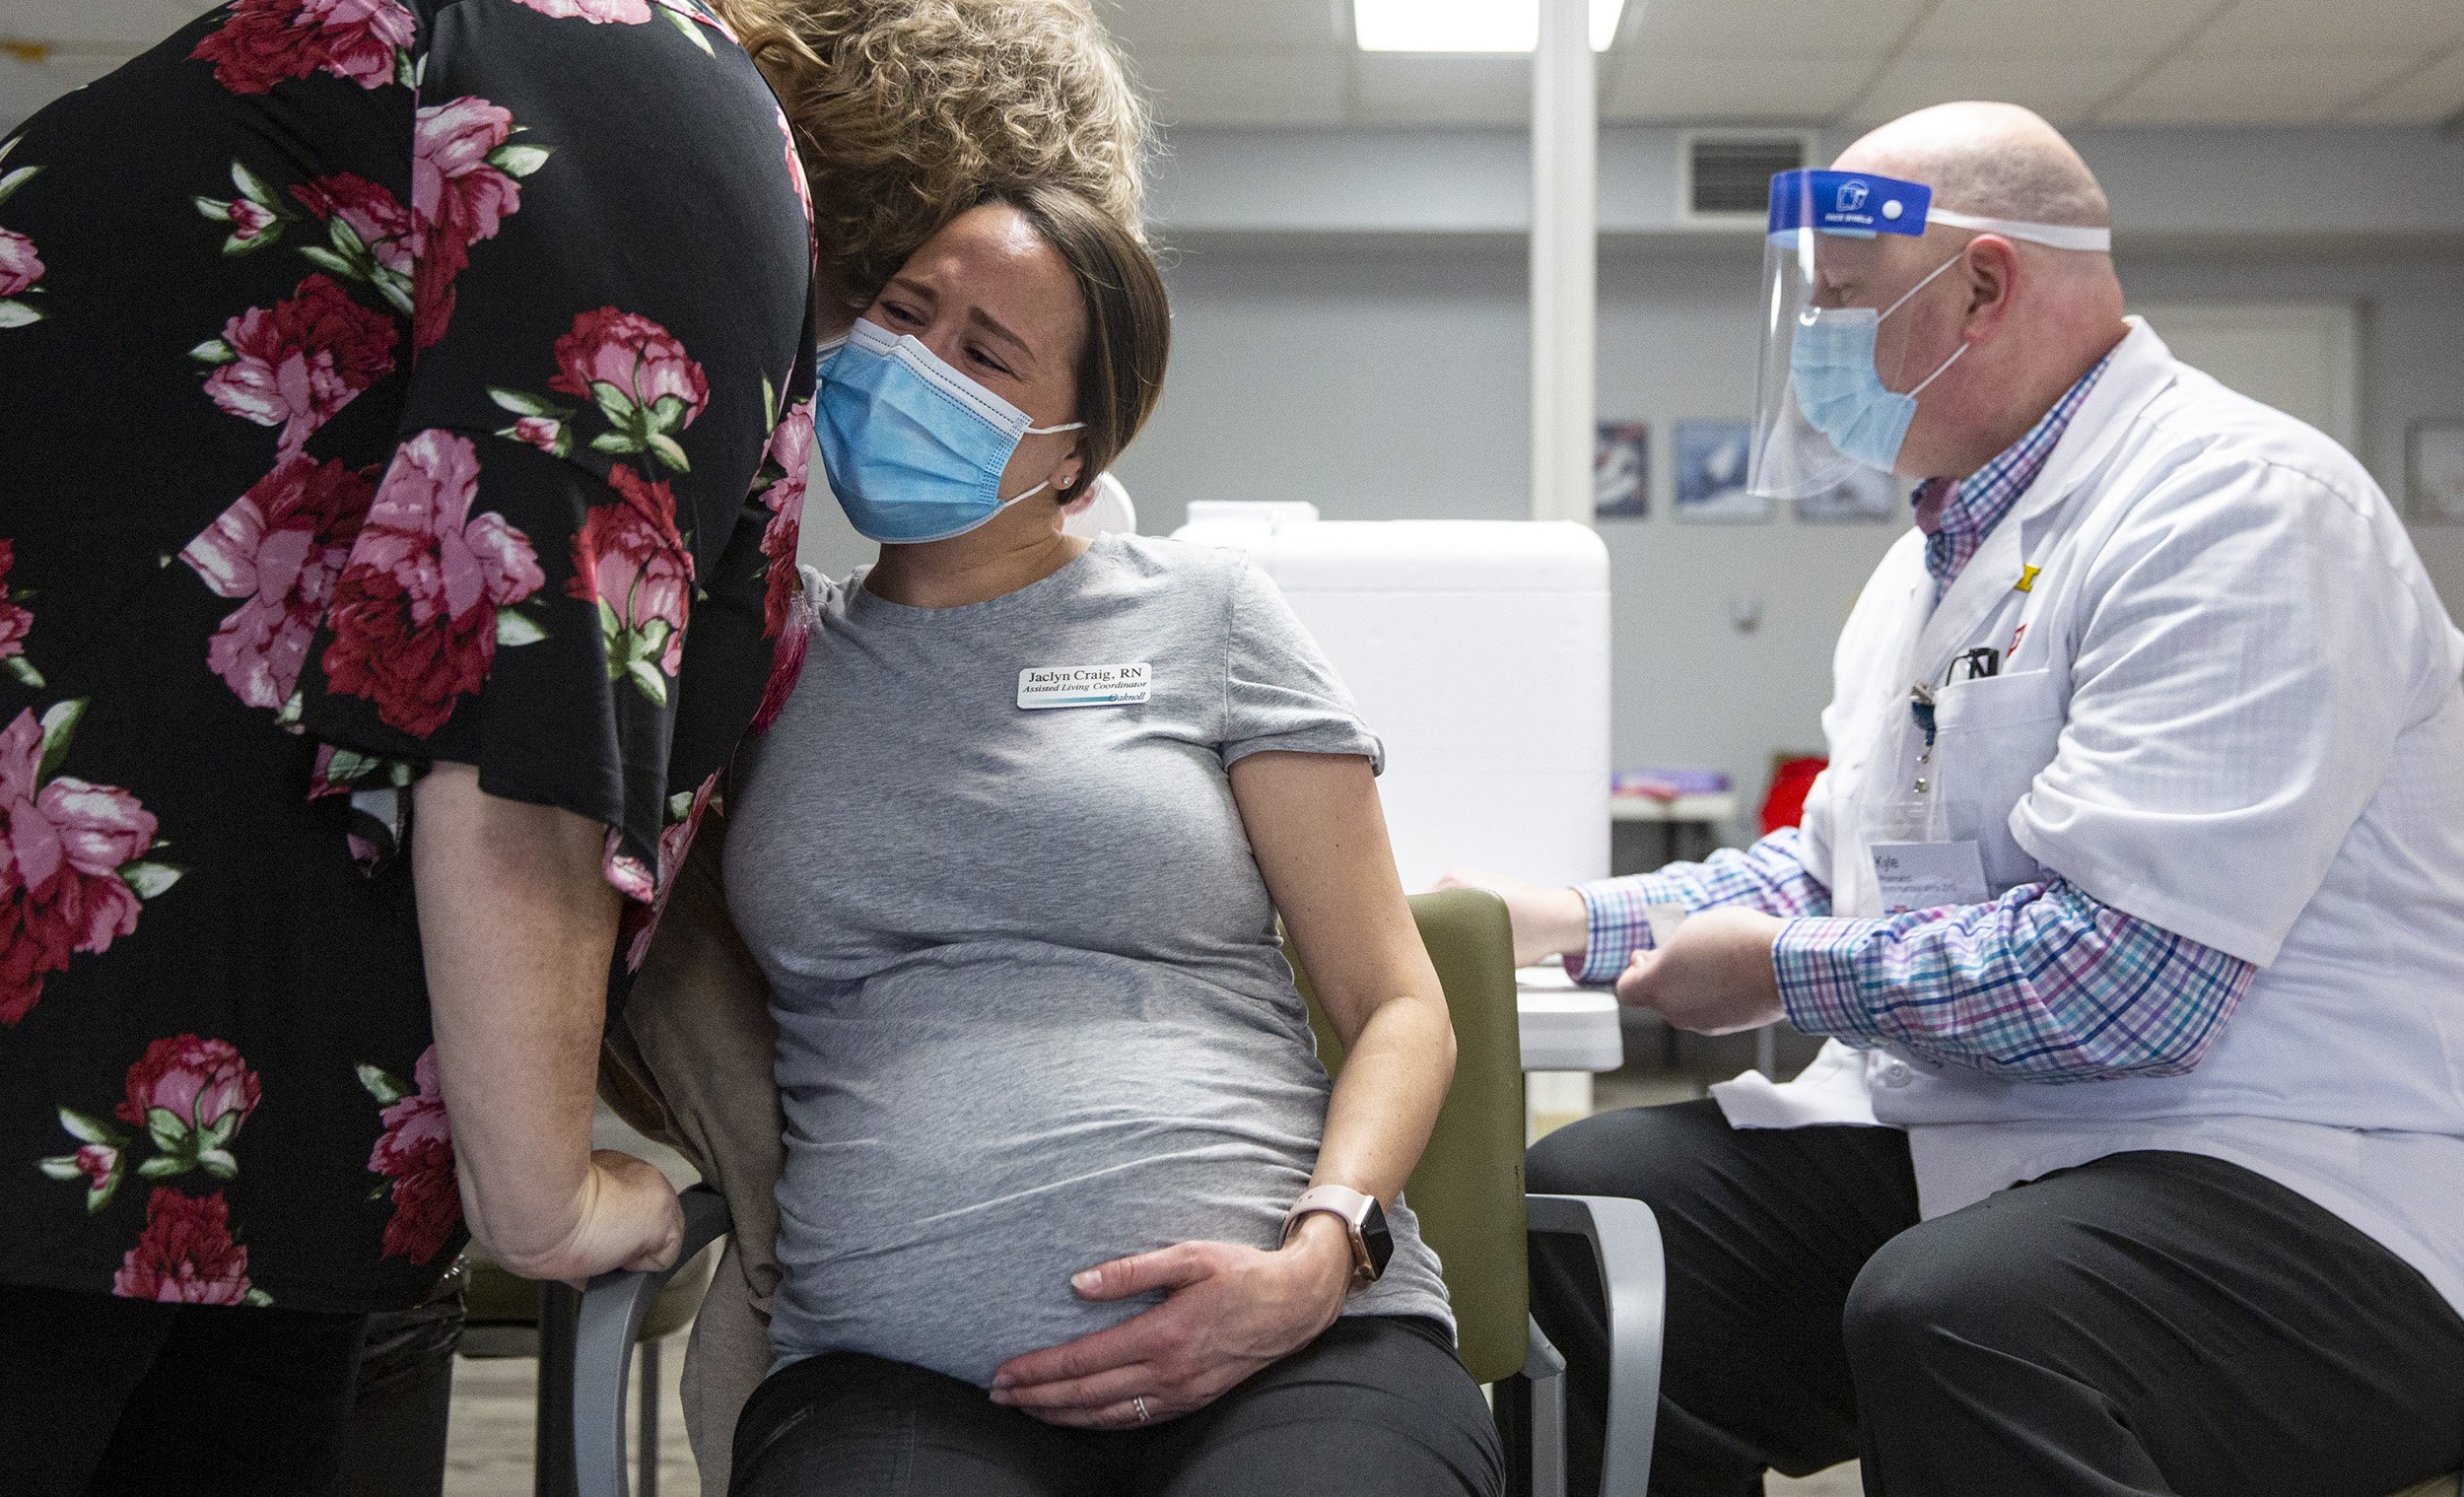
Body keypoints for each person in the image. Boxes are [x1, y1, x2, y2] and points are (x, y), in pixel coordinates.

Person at [0, 0, 1146, 1494]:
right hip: (72, 998)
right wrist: (547, 1199)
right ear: (948, 204)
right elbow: (527, 713)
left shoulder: (601, 92)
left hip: (204, 1060)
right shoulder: (674, 131)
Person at [1452, 102, 2464, 1497]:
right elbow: (1837, 874)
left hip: (2296, 1170)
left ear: (1983, 286)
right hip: (2002, 1142)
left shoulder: (2242, 510)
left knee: (1964, 1314)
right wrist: (1568, 921)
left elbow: (2135, 986)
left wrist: (1781, 976)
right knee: (1593, 1206)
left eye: (1846, 305)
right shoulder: (1933, 561)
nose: (1819, 348)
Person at [716, 187, 1505, 1495]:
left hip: (1298, 1341)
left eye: (984, 355)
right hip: (895, 1369)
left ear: (1076, 450)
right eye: (904, 317)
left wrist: (1322, 1257)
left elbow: (1398, 1006)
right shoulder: (763, 653)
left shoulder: (1208, 614)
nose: (915, 368)